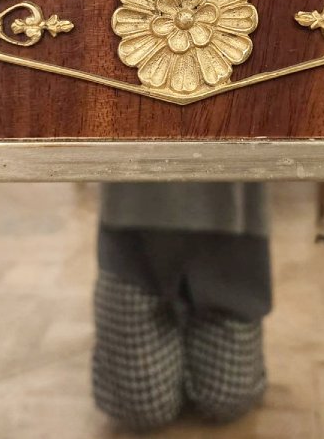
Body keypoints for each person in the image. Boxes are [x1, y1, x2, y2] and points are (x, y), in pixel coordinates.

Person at [92, 182, 272, 430]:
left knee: (227, 399)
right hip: (132, 231)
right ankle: (173, 322)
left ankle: (184, 320)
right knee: (142, 408)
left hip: (231, 231)